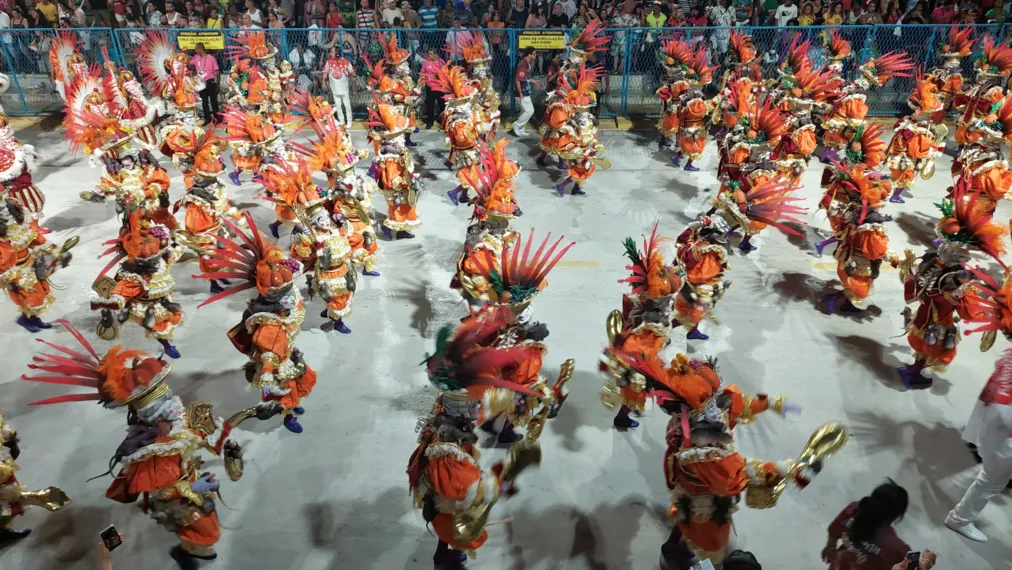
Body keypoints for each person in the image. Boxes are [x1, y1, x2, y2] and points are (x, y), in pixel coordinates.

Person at [945, 348, 1012, 543]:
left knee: (994, 479)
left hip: (996, 432)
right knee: (991, 479)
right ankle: (959, 518)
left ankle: (961, 514)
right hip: (1003, 438)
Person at [824, 480, 936, 570]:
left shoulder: (853, 511)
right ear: (897, 516)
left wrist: (830, 547)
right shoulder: (897, 548)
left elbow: (834, 531)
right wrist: (927, 562)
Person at [324, 46, 354, 127]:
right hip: (335, 89)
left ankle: (349, 121)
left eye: (332, 52)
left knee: (347, 105)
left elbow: (352, 72)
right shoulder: (329, 62)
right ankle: (341, 120)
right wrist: (324, 83)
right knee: (338, 105)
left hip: (344, 88)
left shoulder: (345, 62)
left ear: (337, 53)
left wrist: (353, 83)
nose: (330, 53)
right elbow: (325, 72)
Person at [191, 42, 220, 123]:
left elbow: (217, 71)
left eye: (196, 48)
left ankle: (217, 118)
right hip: (201, 83)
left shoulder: (211, 58)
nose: (195, 50)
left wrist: (218, 84)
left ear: (200, 48)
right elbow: (188, 62)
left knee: (214, 101)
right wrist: (183, 54)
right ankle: (207, 119)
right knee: (204, 102)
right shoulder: (196, 57)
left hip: (210, 81)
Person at [512, 46, 535, 136]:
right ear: (529, 55)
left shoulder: (526, 63)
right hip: (522, 92)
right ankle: (517, 125)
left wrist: (533, 81)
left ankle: (521, 129)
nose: (535, 56)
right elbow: (518, 79)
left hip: (524, 90)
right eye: (534, 54)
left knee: (524, 111)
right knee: (530, 111)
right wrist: (521, 93)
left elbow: (525, 77)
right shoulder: (523, 65)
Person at [420, 46, 445, 129]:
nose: (429, 56)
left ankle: (443, 121)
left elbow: (445, 73)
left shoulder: (441, 62)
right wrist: (422, 79)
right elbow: (422, 73)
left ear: (435, 55)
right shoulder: (426, 63)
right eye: (429, 54)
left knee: (442, 104)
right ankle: (430, 121)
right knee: (429, 104)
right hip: (429, 86)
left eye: (431, 54)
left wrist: (439, 75)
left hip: (439, 86)